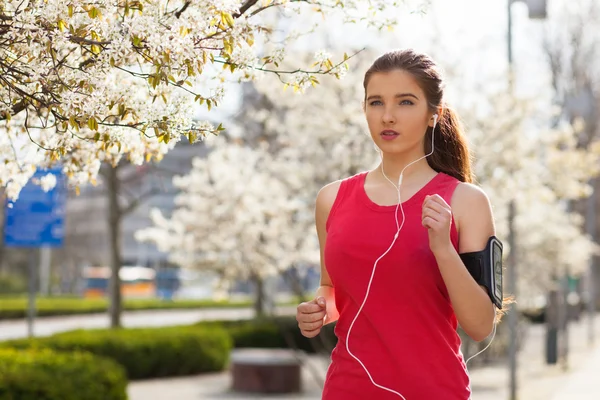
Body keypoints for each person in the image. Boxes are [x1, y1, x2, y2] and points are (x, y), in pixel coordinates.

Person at [295, 49, 506, 399]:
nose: (388, 116)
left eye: (405, 102)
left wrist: (442, 248)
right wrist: (317, 310)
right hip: (347, 389)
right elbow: (332, 289)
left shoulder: (466, 201)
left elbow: (481, 325)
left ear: (433, 115)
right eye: (375, 102)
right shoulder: (331, 200)